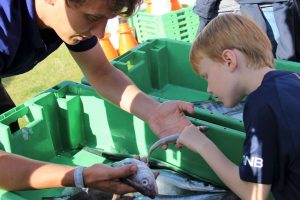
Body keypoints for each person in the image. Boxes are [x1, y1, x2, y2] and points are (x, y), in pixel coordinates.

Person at [0, 0, 194, 192]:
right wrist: (80, 176)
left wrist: (153, 111)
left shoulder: (68, 15)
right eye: (92, 17)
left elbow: (101, 72)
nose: (100, 33)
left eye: (106, 19)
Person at [177, 14, 300, 199]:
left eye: (206, 76)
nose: (209, 88)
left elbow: (254, 193)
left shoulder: (261, 104)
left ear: (228, 60)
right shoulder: (292, 79)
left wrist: (202, 145)